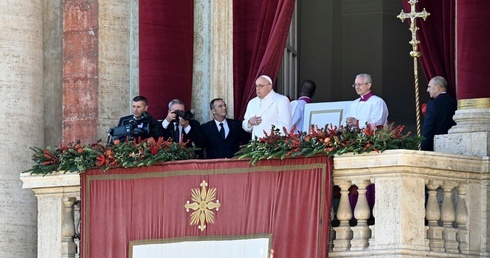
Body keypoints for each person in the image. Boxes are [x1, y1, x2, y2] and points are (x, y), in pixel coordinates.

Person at [242, 75, 292, 139]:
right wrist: (249, 122)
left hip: (274, 144)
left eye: (261, 86)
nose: (258, 88)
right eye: (256, 86)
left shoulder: (281, 100)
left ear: (269, 87)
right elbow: (245, 125)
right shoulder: (252, 102)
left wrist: (270, 139)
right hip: (256, 143)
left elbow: (286, 125)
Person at [421, 76, 457, 151]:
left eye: (429, 87)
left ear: (437, 87)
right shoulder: (455, 102)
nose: (427, 90)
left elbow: (428, 127)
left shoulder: (433, 104)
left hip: (436, 146)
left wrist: (424, 147)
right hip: (454, 145)